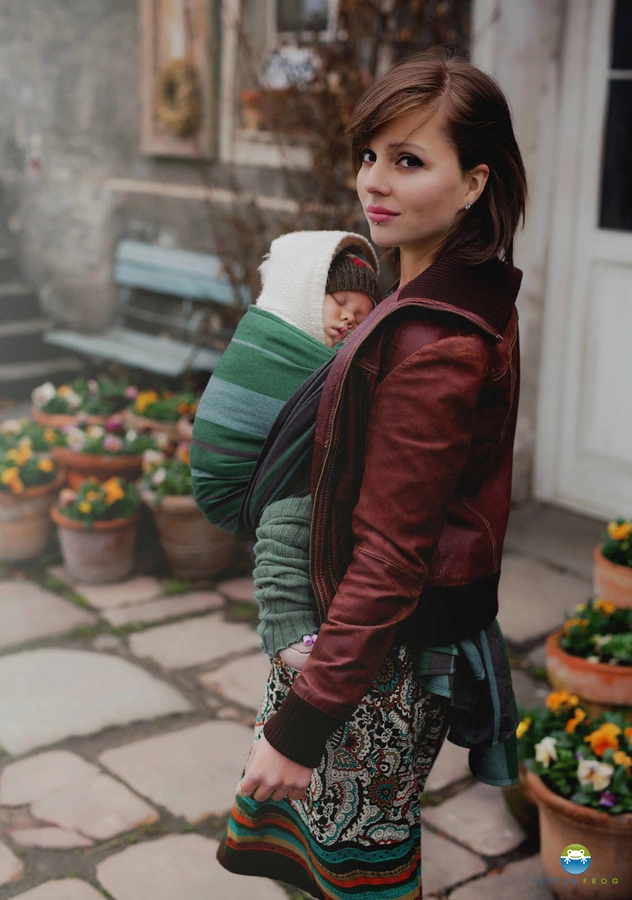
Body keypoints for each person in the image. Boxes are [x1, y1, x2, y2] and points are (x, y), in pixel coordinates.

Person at [217, 52, 527, 900]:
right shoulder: (455, 296)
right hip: (360, 646)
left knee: (355, 881)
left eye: (409, 160)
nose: (374, 183)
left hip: (369, 662)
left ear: (474, 183)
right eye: (369, 155)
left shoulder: (434, 343)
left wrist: (301, 726)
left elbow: (392, 555)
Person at [191, 231, 381, 667]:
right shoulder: (276, 342)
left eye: (362, 314)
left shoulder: (336, 358)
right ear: (308, 294)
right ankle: (284, 623)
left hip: (265, 473)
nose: (349, 318)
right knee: (297, 514)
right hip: (232, 476)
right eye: (340, 301)